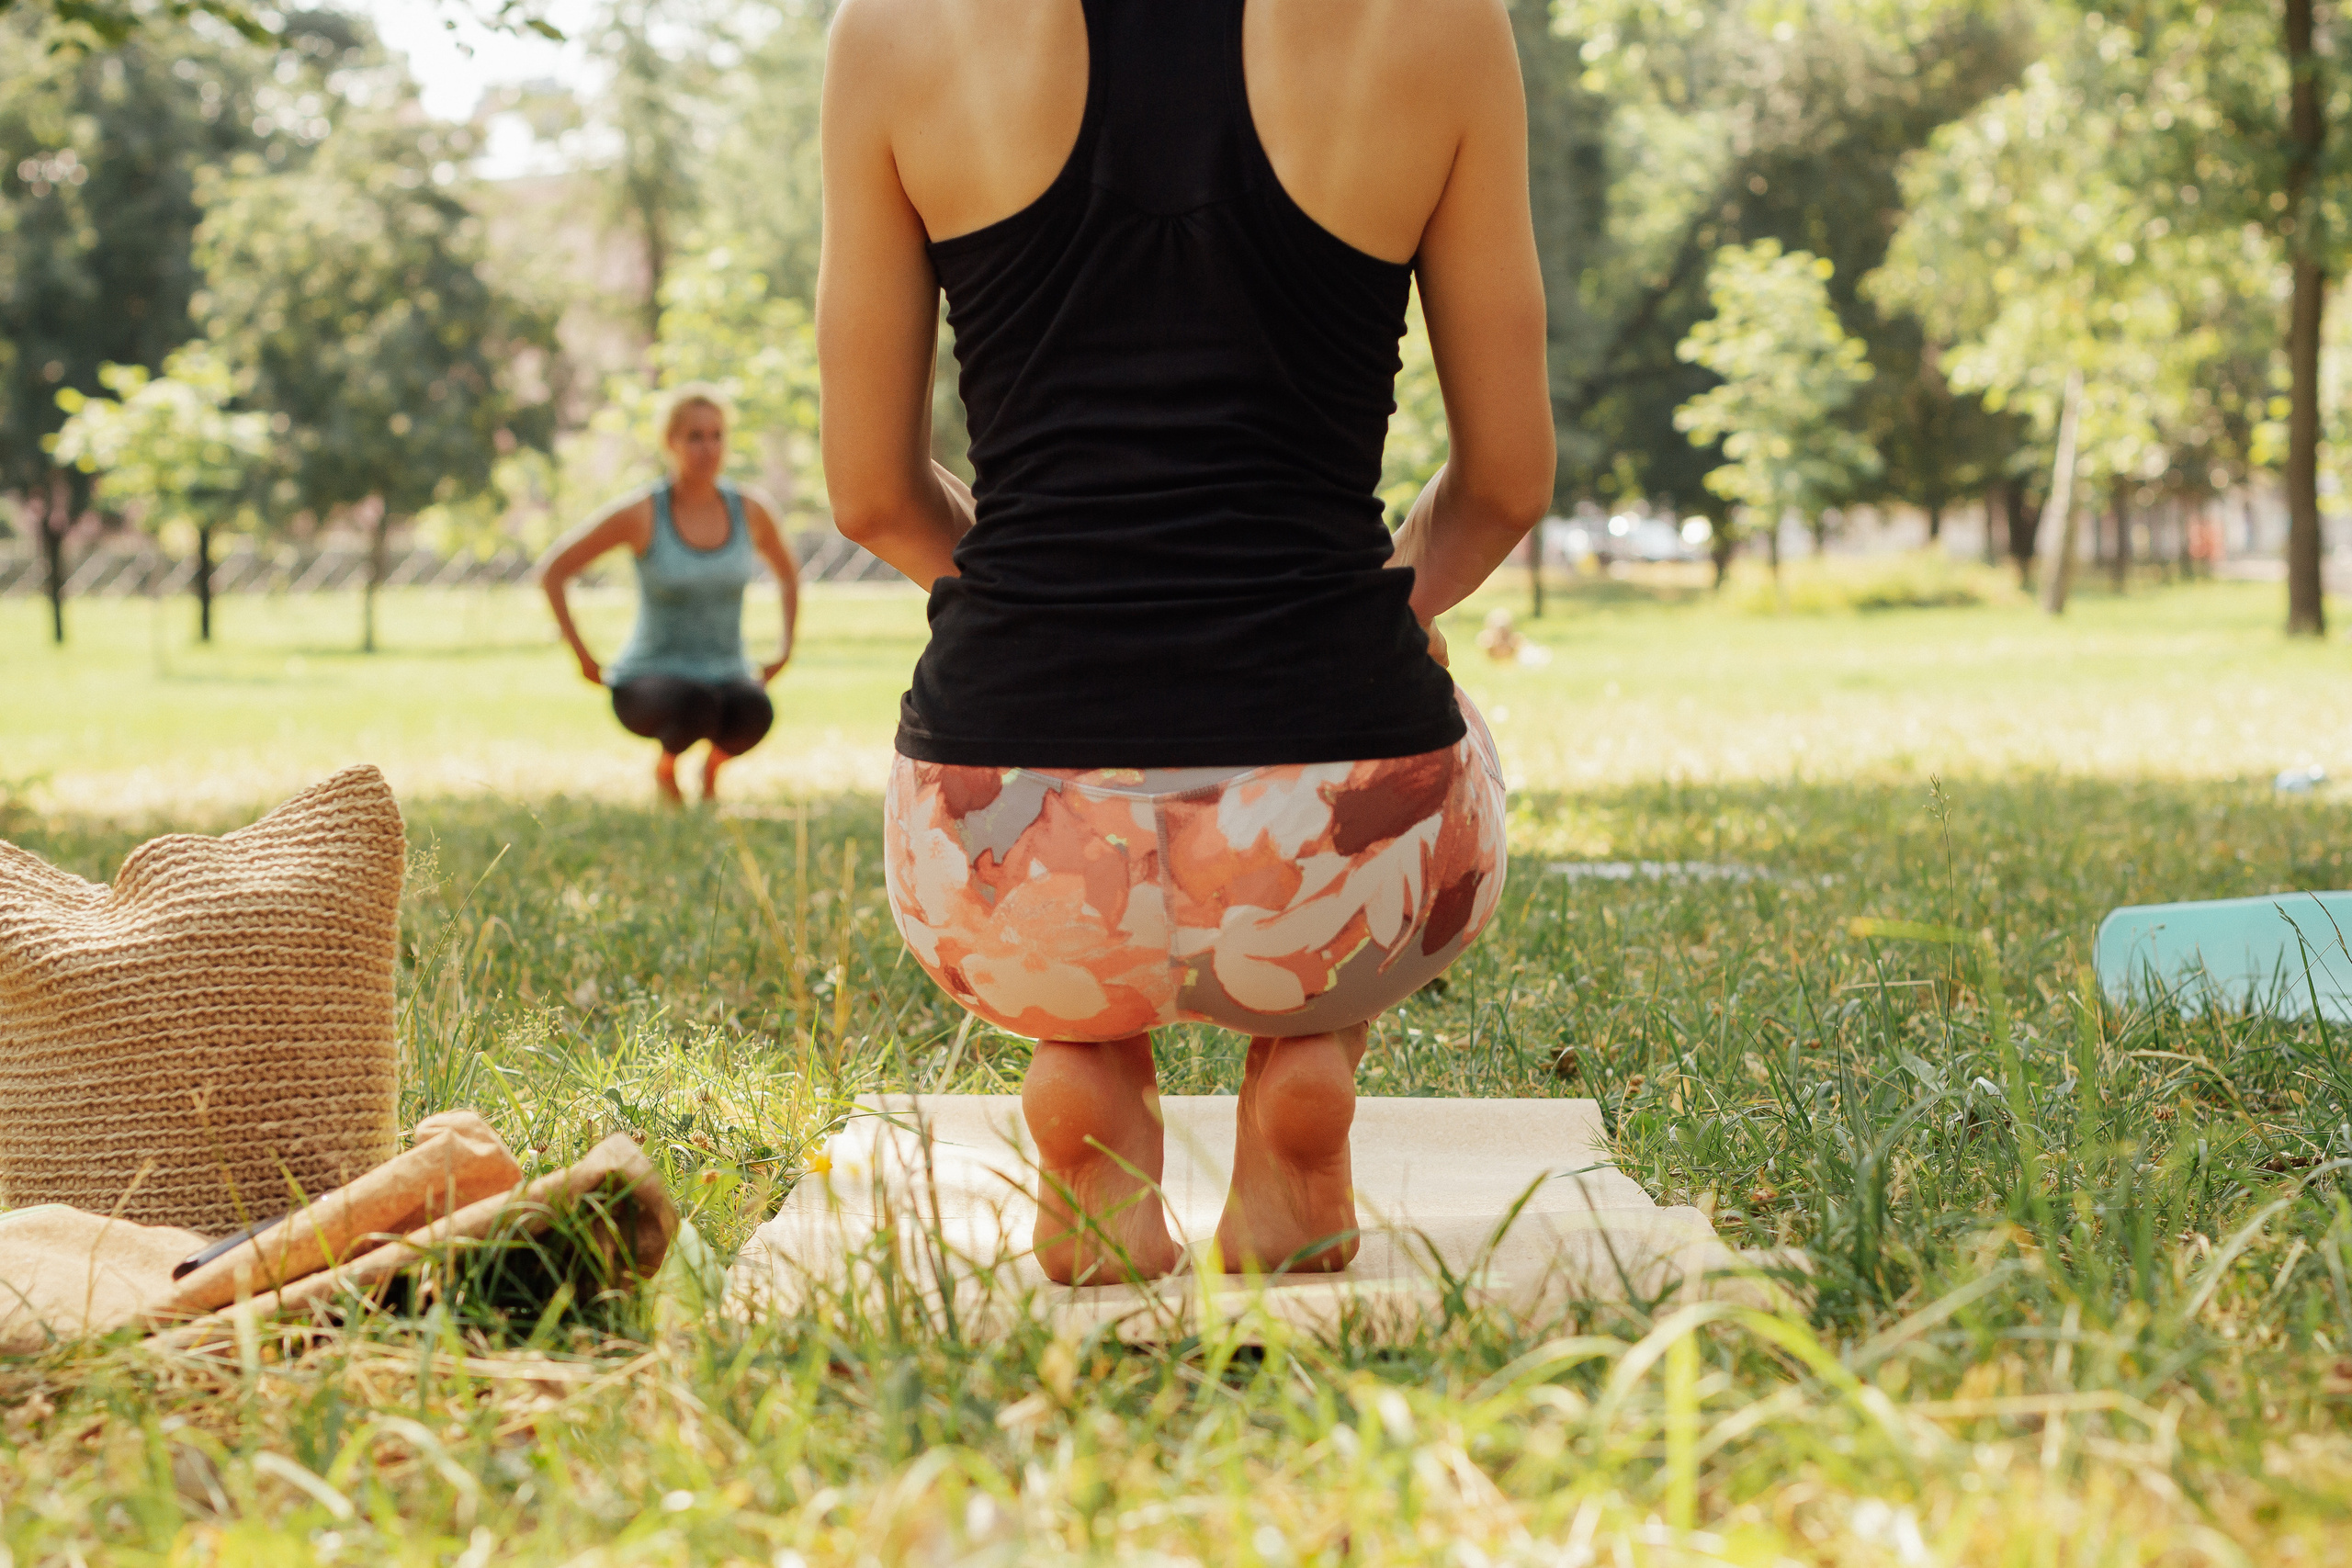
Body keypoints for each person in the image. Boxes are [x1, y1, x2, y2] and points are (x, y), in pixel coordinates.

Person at [820, 0, 1554, 1282]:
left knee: (1073, 910)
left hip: (1005, 848)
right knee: (1432, 709)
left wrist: (1042, 595)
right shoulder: (1440, 23)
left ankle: (1086, 1062)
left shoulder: (893, 30)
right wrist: (1369, 607)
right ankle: (1309, 1063)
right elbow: (1507, 481)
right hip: (1336, 849)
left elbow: (871, 495)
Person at [537, 389, 802, 806]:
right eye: (694, 436)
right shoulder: (643, 512)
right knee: (695, 706)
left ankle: (711, 770)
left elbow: (788, 574)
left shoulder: (750, 510)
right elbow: (554, 572)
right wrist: (584, 657)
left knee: (755, 711)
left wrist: (785, 648)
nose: (708, 448)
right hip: (650, 678)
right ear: (670, 443)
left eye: (717, 436)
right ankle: (666, 769)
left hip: (727, 672)